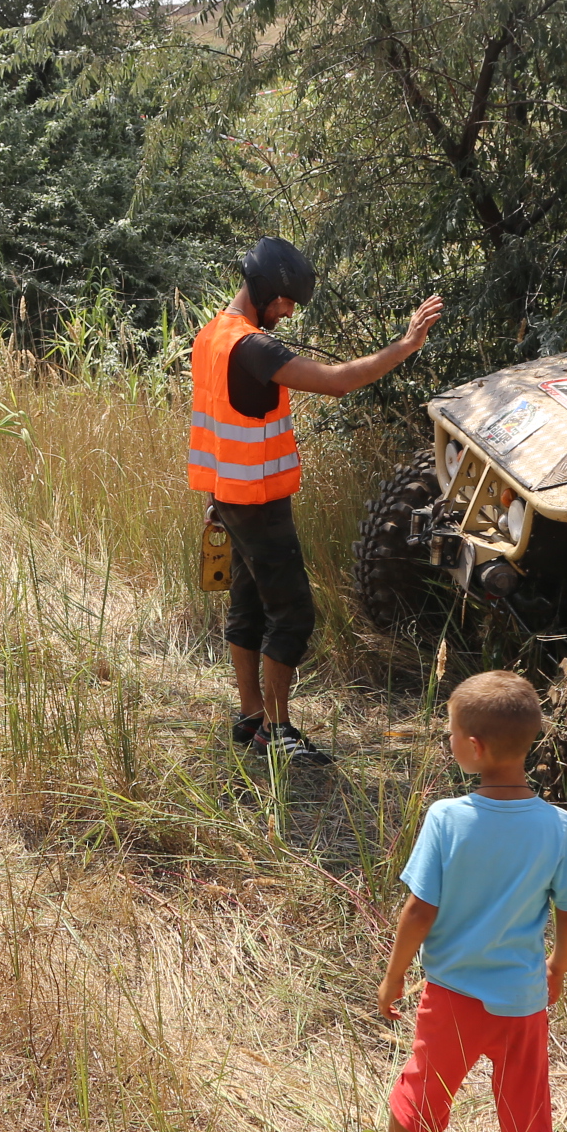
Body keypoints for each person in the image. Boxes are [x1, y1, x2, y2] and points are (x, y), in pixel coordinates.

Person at [187, 237, 442, 764]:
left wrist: (217, 497)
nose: (288, 310)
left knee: (247, 605)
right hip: (257, 501)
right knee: (293, 614)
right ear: (262, 289)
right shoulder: (254, 348)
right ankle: (275, 732)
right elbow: (338, 382)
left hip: (229, 496)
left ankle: (251, 715)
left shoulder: (213, 333)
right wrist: (406, 345)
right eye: (284, 300)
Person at [370, 669, 567, 1132]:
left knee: (422, 1084)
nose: (447, 739)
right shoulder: (557, 825)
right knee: (528, 1114)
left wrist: (393, 977)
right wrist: (557, 969)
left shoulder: (447, 818)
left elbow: (419, 911)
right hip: (522, 1002)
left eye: (449, 731)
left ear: (475, 747)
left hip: (453, 996)